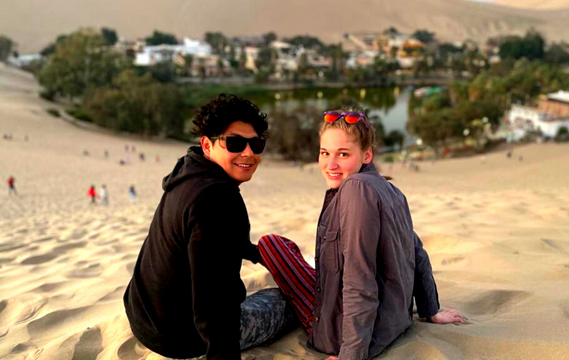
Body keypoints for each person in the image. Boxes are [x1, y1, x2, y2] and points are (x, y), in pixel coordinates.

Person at [257, 108, 464, 359]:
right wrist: (431, 309)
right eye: (325, 153)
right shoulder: (391, 190)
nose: (330, 164)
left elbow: (359, 279)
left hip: (339, 335)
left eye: (342, 154)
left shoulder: (356, 189)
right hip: (392, 323)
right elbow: (417, 253)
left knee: (271, 245)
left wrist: (351, 355)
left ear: (366, 155)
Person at [123, 94, 279, 360]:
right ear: (207, 144)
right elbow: (214, 299)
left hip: (143, 319)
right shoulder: (218, 199)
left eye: (256, 144)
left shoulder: (187, 173)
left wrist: (254, 253)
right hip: (182, 338)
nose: (249, 153)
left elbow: (202, 239)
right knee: (285, 302)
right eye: (235, 143)